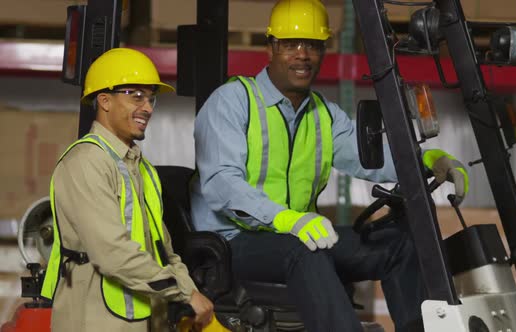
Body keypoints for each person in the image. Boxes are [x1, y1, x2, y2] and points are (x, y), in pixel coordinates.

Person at [190, 0, 469, 331]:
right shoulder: (233, 102)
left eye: (313, 45)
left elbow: (370, 158)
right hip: (233, 241)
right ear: (270, 48)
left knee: (400, 245)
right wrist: (287, 219)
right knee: (302, 251)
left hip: (296, 234)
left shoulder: (322, 114)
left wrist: (426, 161)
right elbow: (223, 184)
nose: (302, 55)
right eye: (291, 44)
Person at [40, 48, 213, 332]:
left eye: (150, 98)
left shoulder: (141, 167)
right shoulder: (86, 163)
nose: (147, 107)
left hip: (146, 317)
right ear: (105, 101)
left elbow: (163, 248)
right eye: (136, 96)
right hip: (96, 320)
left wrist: (188, 292)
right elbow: (111, 252)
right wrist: (185, 293)